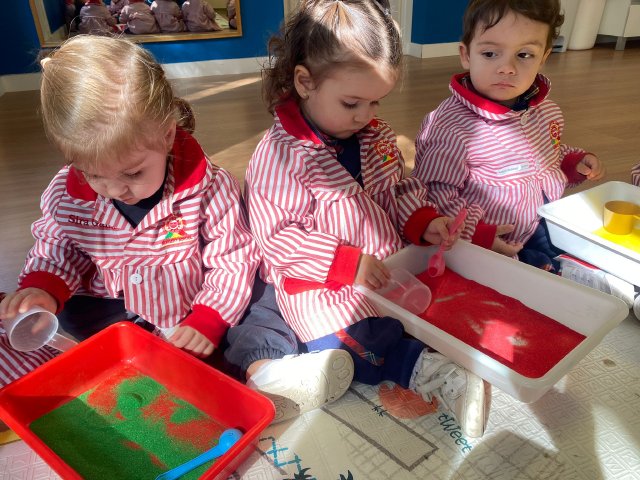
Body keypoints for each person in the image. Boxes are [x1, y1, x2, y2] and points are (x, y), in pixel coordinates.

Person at [239, 0, 489, 438]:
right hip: (326, 289)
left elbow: (399, 188)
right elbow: (278, 237)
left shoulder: (376, 136)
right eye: (352, 102)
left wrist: (423, 221)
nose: (365, 115)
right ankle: (427, 372)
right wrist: (346, 264)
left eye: (376, 101)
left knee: (437, 305)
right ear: (305, 82)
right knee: (358, 342)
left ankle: (419, 346)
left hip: (389, 271)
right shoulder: (279, 156)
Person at [0, 35, 259, 389]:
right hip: (99, 316)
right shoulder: (66, 193)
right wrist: (43, 287)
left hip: (179, 318)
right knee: (83, 379)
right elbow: (58, 247)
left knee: (214, 370)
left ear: (167, 135)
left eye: (133, 173)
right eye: (92, 174)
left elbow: (233, 261)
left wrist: (209, 318)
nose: (114, 189)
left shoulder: (210, 189)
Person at [412, 0, 605, 272]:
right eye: (490, 54)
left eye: (524, 55)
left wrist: (574, 162)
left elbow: (546, 155)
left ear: (544, 57)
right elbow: (434, 194)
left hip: (538, 222)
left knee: (582, 262)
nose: (507, 68)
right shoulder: (450, 128)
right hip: (485, 239)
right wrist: (476, 233)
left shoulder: (546, 111)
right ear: (466, 55)